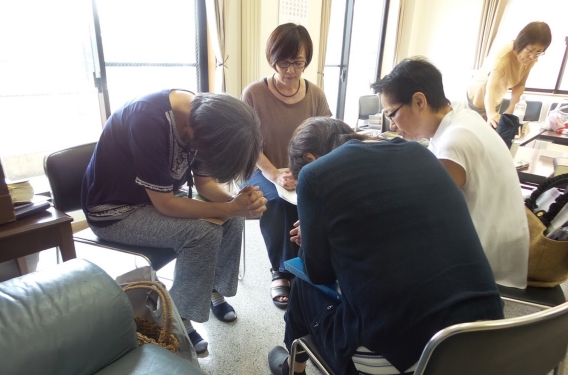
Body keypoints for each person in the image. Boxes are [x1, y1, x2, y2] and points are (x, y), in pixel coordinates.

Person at [268, 117, 504, 375]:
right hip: (487, 339)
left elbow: (319, 273)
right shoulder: (419, 153)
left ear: (312, 159)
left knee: (303, 285)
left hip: (401, 358)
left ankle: (292, 368)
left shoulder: (316, 174)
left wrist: (311, 238)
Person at [81, 89, 267, 354]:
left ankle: (212, 290)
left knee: (230, 219)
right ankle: (179, 318)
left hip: (154, 197)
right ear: (195, 130)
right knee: (203, 233)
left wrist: (237, 203)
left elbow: (204, 184)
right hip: (114, 211)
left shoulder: (206, 120)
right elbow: (165, 204)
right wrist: (232, 208)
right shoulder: (147, 121)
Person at [372, 57, 529, 289]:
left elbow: (422, 215)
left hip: (487, 271)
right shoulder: (461, 116)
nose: (392, 125)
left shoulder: (454, 142)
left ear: (418, 101)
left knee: (383, 260)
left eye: (391, 114)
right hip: (500, 249)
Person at [241, 23, 331, 308]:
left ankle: (308, 264)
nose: (290, 70)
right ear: (272, 58)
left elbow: (327, 136)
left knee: (318, 198)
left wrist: (305, 172)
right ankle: (280, 270)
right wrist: (274, 173)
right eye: (283, 62)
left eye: (298, 63)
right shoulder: (254, 93)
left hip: (302, 170)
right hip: (261, 169)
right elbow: (250, 147)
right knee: (277, 203)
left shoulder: (315, 94)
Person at [467, 21, 551, 127]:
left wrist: (511, 107)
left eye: (539, 52)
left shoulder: (532, 59)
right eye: (530, 50)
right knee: (474, 135)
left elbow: (520, 85)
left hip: (496, 99)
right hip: (478, 97)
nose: (532, 56)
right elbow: (490, 88)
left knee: (494, 133)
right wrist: (491, 113)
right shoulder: (503, 57)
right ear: (521, 42)